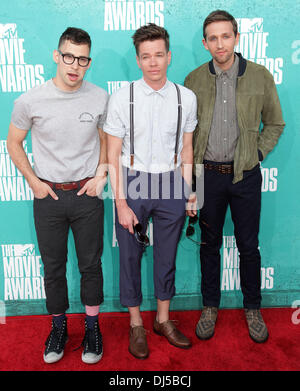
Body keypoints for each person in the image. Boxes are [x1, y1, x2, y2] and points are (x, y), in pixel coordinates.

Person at [7, 27, 108, 364]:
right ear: (56, 55)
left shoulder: (99, 97)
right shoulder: (30, 100)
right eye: (68, 56)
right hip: (47, 195)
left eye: (82, 59)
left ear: (88, 62)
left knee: (90, 264)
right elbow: (13, 142)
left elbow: (108, 139)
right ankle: (59, 326)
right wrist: (34, 182)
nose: (74, 65)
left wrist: (101, 174)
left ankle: (93, 327)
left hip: (87, 194)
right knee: (53, 265)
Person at [184, 10, 285, 343]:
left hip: (245, 177)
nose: (219, 43)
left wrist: (256, 153)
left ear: (237, 38)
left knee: (248, 246)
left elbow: (275, 124)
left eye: (225, 36)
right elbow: (186, 132)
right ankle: (210, 306)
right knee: (208, 245)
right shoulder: (194, 80)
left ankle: (252, 307)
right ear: (205, 43)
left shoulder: (259, 76)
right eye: (212, 38)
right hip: (208, 176)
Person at [104, 23, 197, 359]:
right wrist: (121, 202)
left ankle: (162, 319)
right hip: (133, 181)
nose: (153, 62)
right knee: (129, 256)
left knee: (167, 255)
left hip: (172, 180)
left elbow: (187, 149)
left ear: (169, 56)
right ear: (138, 60)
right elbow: (112, 154)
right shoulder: (122, 97)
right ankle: (135, 324)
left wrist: (189, 189)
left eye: (159, 55)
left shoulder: (186, 98)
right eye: (146, 56)